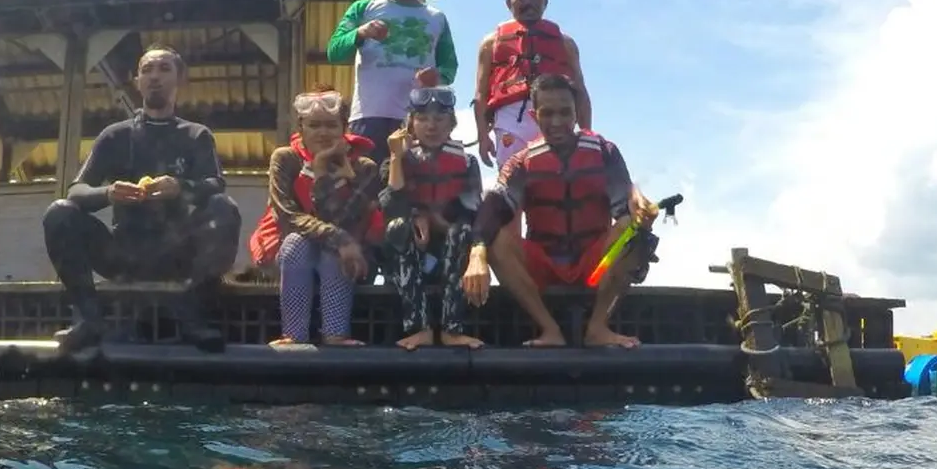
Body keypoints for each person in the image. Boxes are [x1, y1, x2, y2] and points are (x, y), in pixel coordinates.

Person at [42, 46, 240, 353]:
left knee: (224, 208)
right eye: (147, 70)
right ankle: (90, 319)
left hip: (178, 253)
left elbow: (215, 184)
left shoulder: (196, 135)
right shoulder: (115, 136)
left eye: (164, 69)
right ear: (137, 81)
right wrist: (108, 193)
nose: (154, 76)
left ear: (180, 79)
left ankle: (194, 317)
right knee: (60, 212)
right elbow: (76, 191)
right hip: (122, 253)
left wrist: (181, 187)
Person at [462, 73, 656, 349]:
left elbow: (627, 205)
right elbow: (494, 205)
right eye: (548, 113)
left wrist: (642, 213)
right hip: (544, 270)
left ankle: (597, 327)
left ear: (576, 113)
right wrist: (477, 253)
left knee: (630, 229)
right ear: (534, 115)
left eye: (565, 113)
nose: (557, 122)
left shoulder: (604, 151)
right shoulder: (521, 162)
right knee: (494, 240)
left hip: (595, 270)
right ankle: (549, 329)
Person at [254, 88, 382, 348]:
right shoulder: (285, 159)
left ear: (344, 128)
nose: (323, 133)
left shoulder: (364, 168)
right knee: (297, 244)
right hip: (292, 248)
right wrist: (339, 238)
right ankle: (294, 335)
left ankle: (336, 334)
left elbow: (344, 220)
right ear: (301, 128)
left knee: (331, 251)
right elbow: (288, 215)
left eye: (331, 125)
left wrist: (322, 173)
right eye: (314, 125)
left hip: (346, 253)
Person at [326, 0, 458, 165]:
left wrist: (437, 77)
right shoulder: (362, 8)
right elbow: (334, 51)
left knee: (415, 185)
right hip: (369, 118)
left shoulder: (437, 18)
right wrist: (361, 32)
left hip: (420, 121)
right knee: (367, 182)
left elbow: (450, 66)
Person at [380, 86, 483, 350]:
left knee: (462, 230)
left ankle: (452, 330)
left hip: (449, 250)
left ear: (452, 123)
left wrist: (435, 218)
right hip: (410, 255)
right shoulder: (396, 160)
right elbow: (391, 205)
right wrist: (396, 156)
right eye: (423, 118)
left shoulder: (467, 162)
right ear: (410, 124)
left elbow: (472, 208)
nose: (431, 126)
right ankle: (420, 328)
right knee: (397, 227)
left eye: (439, 118)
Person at [473, 0, 592, 169]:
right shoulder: (490, 44)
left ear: (545, 2)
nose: (528, 2)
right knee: (511, 177)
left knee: (554, 176)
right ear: (508, 3)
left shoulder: (566, 44)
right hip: (509, 120)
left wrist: (587, 135)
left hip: (556, 118)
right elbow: (480, 93)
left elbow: (580, 90)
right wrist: (482, 136)